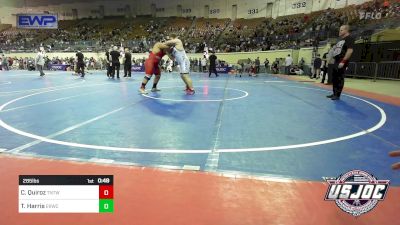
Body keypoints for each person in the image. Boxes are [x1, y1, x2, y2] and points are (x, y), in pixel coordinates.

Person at [326, 25, 354, 101]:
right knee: (334, 78)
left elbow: (350, 51)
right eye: (339, 30)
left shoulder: (349, 39)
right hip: (336, 61)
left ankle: (337, 95)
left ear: (346, 30)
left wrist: (343, 61)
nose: (339, 31)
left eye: (341, 30)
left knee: (339, 78)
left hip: (342, 61)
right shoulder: (340, 40)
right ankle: (334, 93)